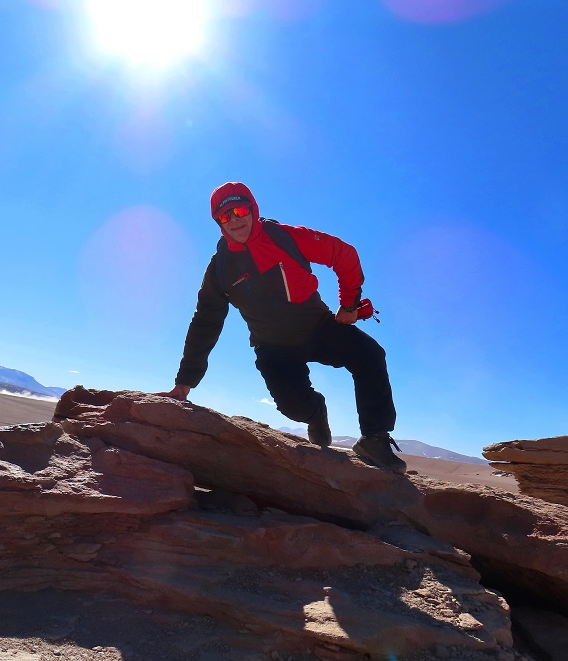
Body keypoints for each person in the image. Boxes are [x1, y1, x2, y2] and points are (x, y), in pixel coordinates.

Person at [163, 182, 405, 473]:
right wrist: (185, 381)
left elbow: (344, 254)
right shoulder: (220, 269)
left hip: (318, 327)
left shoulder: (285, 237)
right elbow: (205, 322)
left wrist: (349, 304)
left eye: (240, 210)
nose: (235, 220)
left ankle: (374, 439)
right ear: (218, 222)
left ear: (253, 209)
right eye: (226, 216)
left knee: (370, 354)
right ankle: (316, 412)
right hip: (274, 347)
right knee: (294, 408)